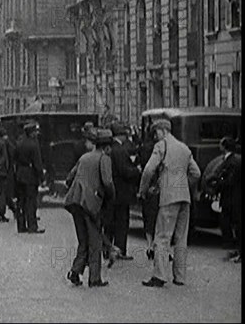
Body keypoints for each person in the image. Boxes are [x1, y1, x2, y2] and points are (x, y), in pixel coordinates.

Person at [139, 119, 201, 287]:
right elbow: (196, 173)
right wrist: (182, 185)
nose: (155, 136)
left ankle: (159, 276)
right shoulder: (184, 148)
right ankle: (180, 277)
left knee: (162, 236)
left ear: (162, 130)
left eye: (156, 132)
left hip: (168, 198)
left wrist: (143, 190)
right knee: (181, 238)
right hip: (184, 198)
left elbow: (148, 170)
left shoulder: (161, 146)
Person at [64, 128, 115, 287]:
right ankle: (94, 278)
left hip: (74, 202)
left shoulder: (84, 157)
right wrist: (110, 196)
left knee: (83, 240)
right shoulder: (104, 159)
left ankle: (75, 271)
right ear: (107, 147)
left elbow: (69, 178)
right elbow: (107, 182)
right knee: (95, 242)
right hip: (90, 204)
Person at [103, 122, 141, 260]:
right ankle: (119, 250)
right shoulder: (119, 150)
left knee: (109, 222)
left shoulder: (110, 148)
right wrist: (137, 170)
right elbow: (125, 171)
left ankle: (107, 249)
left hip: (111, 192)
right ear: (122, 136)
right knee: (121, 222)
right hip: (121, 192)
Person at [209, 137, 241, 262]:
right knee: (231, 222)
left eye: (220, 144)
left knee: (233, 223)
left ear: (224, 146)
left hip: (232, 197)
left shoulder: (232, 161)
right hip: (232, 197)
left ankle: (235, 248)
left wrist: (217, 183)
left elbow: (229, 180)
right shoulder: (233, 159)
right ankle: (234, 248)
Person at [14, 122, 45, 233]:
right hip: (30, 175)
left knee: (21, 201)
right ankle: (32, 226)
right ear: (32, 133)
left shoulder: (19, 143)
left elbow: (15, 158)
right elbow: (37, 162)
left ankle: (21, 225)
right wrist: (41, 176)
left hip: (20, 174)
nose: (36, 133)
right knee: (31, 201)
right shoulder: (33, 144)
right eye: (35, 131)